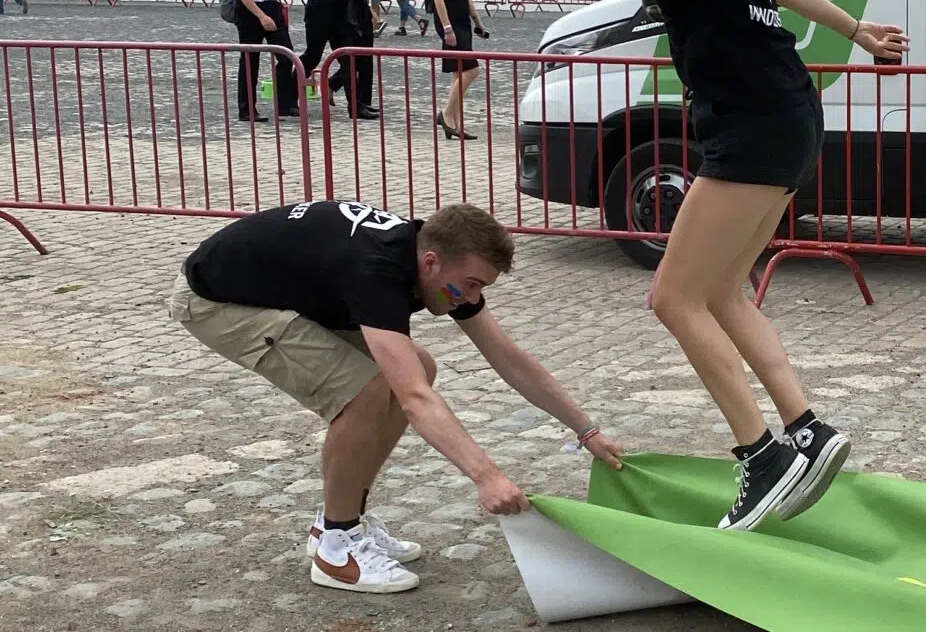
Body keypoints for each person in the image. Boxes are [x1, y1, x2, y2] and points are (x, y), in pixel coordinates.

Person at [612, 0, 910, 532]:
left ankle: (764, 457)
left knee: (671, 299)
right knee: (721, 292)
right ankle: (805, 428)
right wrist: (858, 31)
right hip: (788, 119)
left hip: (751, 126)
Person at [165, 200, 625, 594]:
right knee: (365, 392)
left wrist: (587, 430)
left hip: (280, 290)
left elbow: (507, 356)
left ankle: (337, 523)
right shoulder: (377, 271)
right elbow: (414, 400)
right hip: (219, 302)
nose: (470, 297)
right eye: (471, 284)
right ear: (431, 262)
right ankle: (337, 547)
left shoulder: (433, 264)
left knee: (420, 366)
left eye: (481, 287)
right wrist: (486, 476)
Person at [426, 0, 488, 141]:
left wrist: (478, 21)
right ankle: (445, 114)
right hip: (448, 15)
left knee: (460, 72)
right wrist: (447, 28)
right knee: (472, 69)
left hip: (462, 15)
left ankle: (454, 123)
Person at [327, 0, 382, 120]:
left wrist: (371, 9)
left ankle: (364, 101)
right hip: (347, 13)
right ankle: (354, 103)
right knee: (351, 59)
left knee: (366, 58)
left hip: (362, 10)